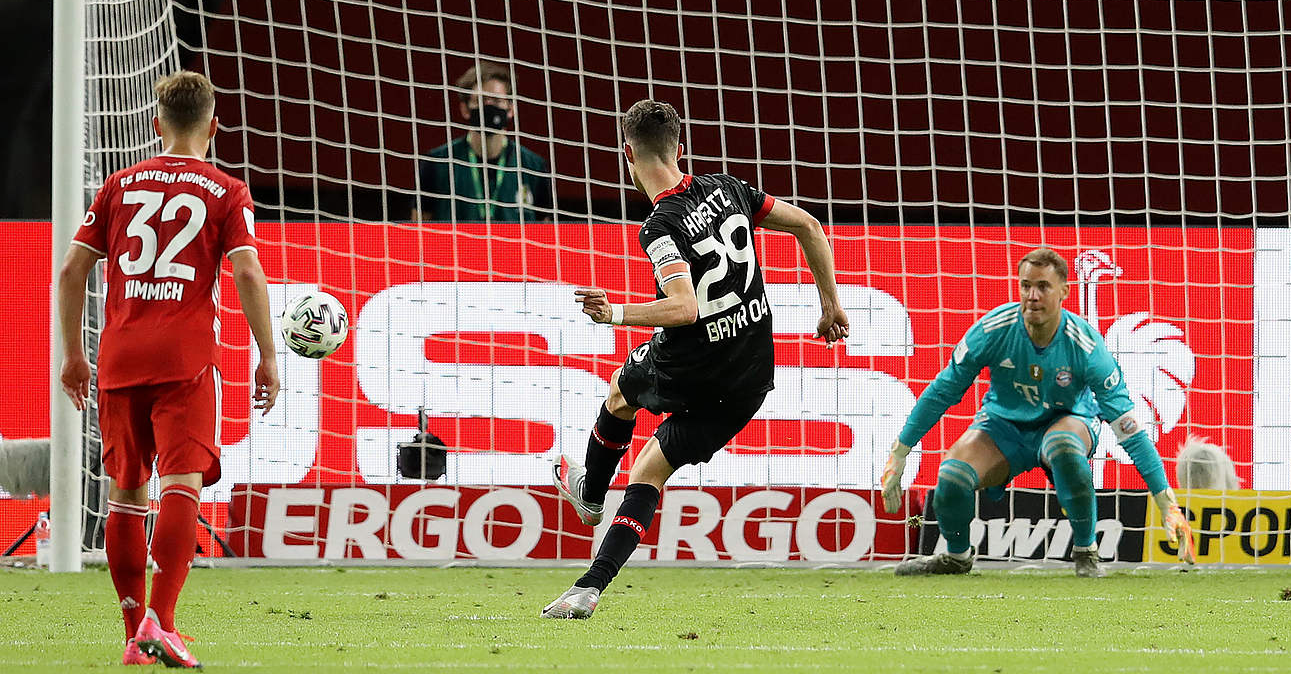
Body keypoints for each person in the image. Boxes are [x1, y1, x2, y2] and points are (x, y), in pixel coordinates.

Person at [541, 100, 850, 619]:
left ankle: (590, 494)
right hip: (750, 377)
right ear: (681, 149)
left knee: (620, 390)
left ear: (627, 156)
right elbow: (811, 227)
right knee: (649, 470)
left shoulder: (660, 226)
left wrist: (614, 313)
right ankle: (588, 587)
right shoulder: (729, 189)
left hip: (691, 366)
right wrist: (830, 305)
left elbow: (684, 307)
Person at [57, 71, 279, 667]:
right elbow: (248, 273)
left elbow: (71, 271)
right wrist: (268, 354)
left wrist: (74, 355)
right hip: (184, 357)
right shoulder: (226, 190)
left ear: (157, 124)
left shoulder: (118, 185)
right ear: (214, 124)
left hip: (120, 356)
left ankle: (134, 634)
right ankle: (165, 620)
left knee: (125, 494)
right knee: (180, 485)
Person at [879, 248, 1195, 576]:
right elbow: (943, 390)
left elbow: (1128, 429)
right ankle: (957, 557)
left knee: (1064, 448)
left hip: (1067, 421)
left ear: (1064, 292)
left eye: (1043, 286)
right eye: (1025, 285)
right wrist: (900, 452)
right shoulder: (994, 329)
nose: (1032, 295)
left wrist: (1166, 502)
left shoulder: (1086, 346)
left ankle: (1086, 551)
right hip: (1003, 426)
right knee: (952, 476)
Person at [411, 62, 550, 222]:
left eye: (497, 101)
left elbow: (546, 230)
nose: (488, 107)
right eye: (481, 101)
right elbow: (418, 230)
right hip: (455, 247)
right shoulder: (437, 163)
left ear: (511, 109)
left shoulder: (533, 166)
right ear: (465, 109)